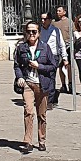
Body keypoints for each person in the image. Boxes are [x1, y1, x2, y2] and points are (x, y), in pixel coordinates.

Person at [13, 20, 57, 152]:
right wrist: (20, 77)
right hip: (28, 84)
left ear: (38, 33)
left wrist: (40, 66)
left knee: (42, 115)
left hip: (42, 85)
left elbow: (53, 66)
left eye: (34, 31)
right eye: (29, 31)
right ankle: (28, 142)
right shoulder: (22, 48)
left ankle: (42, 140)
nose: (31, 34)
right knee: (28, 111)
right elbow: (17, 65)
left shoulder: (45, 47)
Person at [39, 11, 67, 107]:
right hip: (41, 56)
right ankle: (46, 97)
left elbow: (61, 45)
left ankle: (49, 101)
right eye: (41, 19)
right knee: (42, 78)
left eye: (45, 19)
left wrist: (65, 58)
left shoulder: (56, 31)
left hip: (53, 57)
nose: (43, 21)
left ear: (50, 20)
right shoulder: (39, 31)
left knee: (51, 78)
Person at [55, 6, 72, 92]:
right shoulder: (55, 23)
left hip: (68, 46)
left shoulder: (69, 22)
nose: (57, 12)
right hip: (58, 47)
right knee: (60, 67)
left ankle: (70, 84)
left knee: (68, 66)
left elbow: (73, 33)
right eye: (57, 11)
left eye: (59, 11)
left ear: (64, 12)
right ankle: (63, 85)